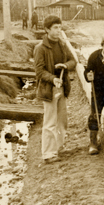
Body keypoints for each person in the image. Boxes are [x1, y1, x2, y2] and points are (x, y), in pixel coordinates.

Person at [34, 15, 77, 163]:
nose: (59, 30)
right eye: (55, 28)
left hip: (62, 88)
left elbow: (73, 61)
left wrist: (66, 66)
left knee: (62, 121)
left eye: (60, 27)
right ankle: (48, 154)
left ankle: (58, 148)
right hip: (49, 89)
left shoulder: (63, 44)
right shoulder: (40, 48)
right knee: (50, 122)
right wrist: (52, 78)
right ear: (47, 30)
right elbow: (39, 72)